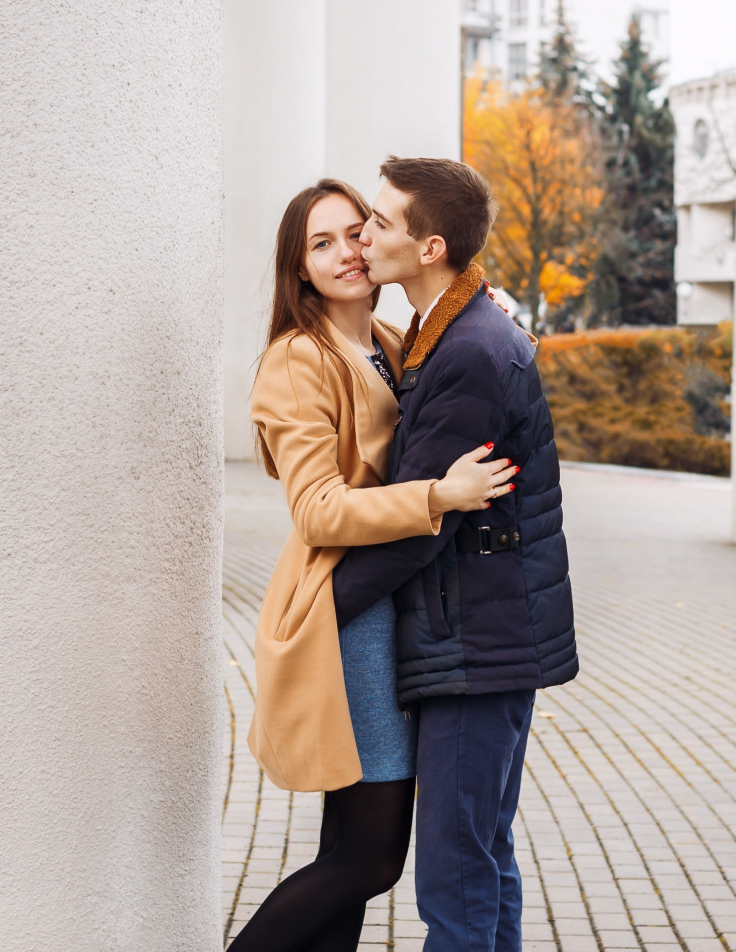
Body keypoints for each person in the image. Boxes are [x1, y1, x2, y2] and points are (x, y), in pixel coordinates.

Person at [230, 179, 519, 952]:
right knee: (370, 856)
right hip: (346, 613)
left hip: (391, 609)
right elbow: (318, 510)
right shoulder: (298, 357)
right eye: (320, 244)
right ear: (300, 272)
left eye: (356, 232)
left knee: (348, 853)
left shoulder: (392, 344)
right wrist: (441, 494)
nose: (346, 253)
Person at [330, 157, 578, 952]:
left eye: (381, 222)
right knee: (480, 860)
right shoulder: (455, 334)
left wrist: (313, 611)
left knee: (454, 874)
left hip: (475, 642)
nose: (365, 236)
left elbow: (416, 522)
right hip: (484, 637)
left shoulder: (469, 349)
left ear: (429, 248)